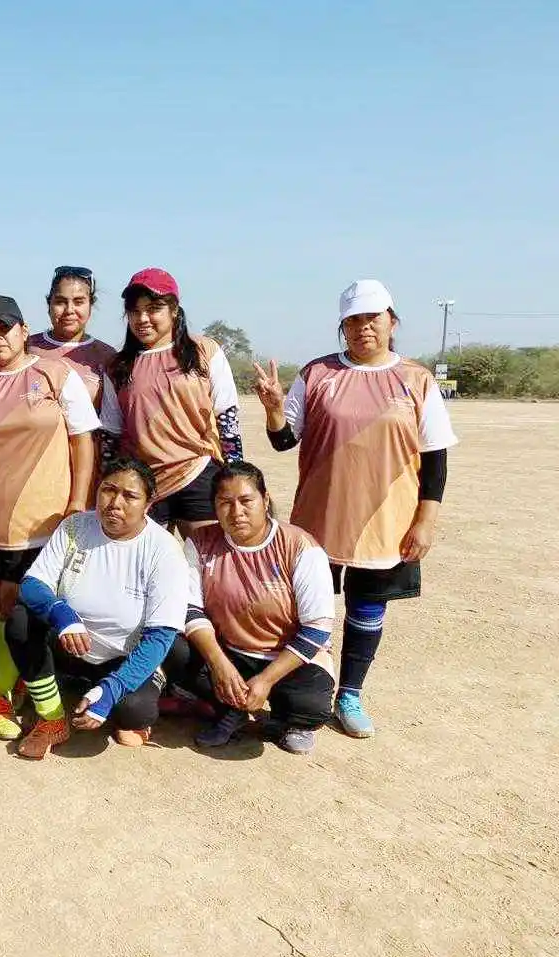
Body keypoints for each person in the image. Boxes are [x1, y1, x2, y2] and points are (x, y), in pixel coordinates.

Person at [253, 279, 457, 738]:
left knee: (367, 608)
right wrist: (271, 408)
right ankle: (303, 702)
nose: (363, 327)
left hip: (386, 520)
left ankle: (349, 694)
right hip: (319, 518)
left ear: (392, 321)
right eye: (353, 320)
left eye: (373, 318)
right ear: (341, 327)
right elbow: (284, 440)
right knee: (307, 613)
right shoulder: (318, 373)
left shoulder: (416, 379)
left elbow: (436, 457)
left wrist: (426, 520)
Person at [0, 294, 101, 739]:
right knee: (5, 609)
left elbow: (82, 440)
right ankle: (3, 695)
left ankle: (29, 689)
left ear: (23, 329)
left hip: (49, 519)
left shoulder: (54, 374)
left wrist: (77, 501)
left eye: (4, 328)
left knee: (36, 609)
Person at [5, 457, 188, 759]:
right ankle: (51, 718)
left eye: (130, 496)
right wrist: (63, 615)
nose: (115, 503)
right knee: (20, 620)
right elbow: (32, 584)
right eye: (108, 490)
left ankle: (137, 684)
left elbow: (161, 635)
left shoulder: (163, 549)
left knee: (134, 713)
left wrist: (113, 689)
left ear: (149, 503)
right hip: (71, 644)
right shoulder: (75, 526)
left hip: (123, 655)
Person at [165, 462, 336, 755]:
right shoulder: (200, 542)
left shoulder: (300, 546)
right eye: (225, 503)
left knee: (310, 705)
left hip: (288, 656)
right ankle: (229, 712)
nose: (237, 512)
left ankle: (290, 721)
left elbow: (317, 628)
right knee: (172, 648)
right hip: (230, 650)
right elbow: (191, 610)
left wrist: (267, 679)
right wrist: (220, 665)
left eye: (246, 501)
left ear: (265, 500)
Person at [100, 267, 243, 532]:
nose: (143, 318)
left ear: (174, 310)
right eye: (134, 311)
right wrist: (107, 482)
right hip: (142, 483)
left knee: (206, 564)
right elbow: (111, 433)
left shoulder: (203, 351)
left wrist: (235, 476)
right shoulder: (116, 367)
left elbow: (227, 417)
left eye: (154, 308)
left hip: (197, 473)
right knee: (146, 570)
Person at [28, 266, 116, 409]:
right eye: (60, 302)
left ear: (90, 305)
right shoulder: (26, 348)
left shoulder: (107, 356)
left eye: (79, 302)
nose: (69, 310)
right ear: (48, 304)